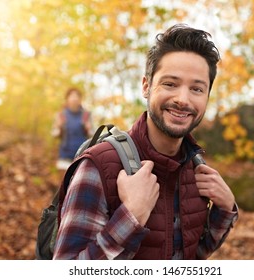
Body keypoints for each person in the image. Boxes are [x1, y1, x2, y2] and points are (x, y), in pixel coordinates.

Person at [53, 24, 238, 260]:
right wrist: (130, 217)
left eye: (197, 89)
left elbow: (192, 255)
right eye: (170, 84)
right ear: (146, 86)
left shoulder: (196, 169)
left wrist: (225, 209)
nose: (183, 99)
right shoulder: (98, 166)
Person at [51, 87, 92, 170]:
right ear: (67, 99)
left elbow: (93, 135)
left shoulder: (86, 115)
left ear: (80, 99)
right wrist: (58, 127)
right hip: (65, 155)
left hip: (81, 156)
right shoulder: (61, 115)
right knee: (63, 181)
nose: (74, 99)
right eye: (72, 96)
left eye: (77, 96)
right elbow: (54, 134)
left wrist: (89, 128)